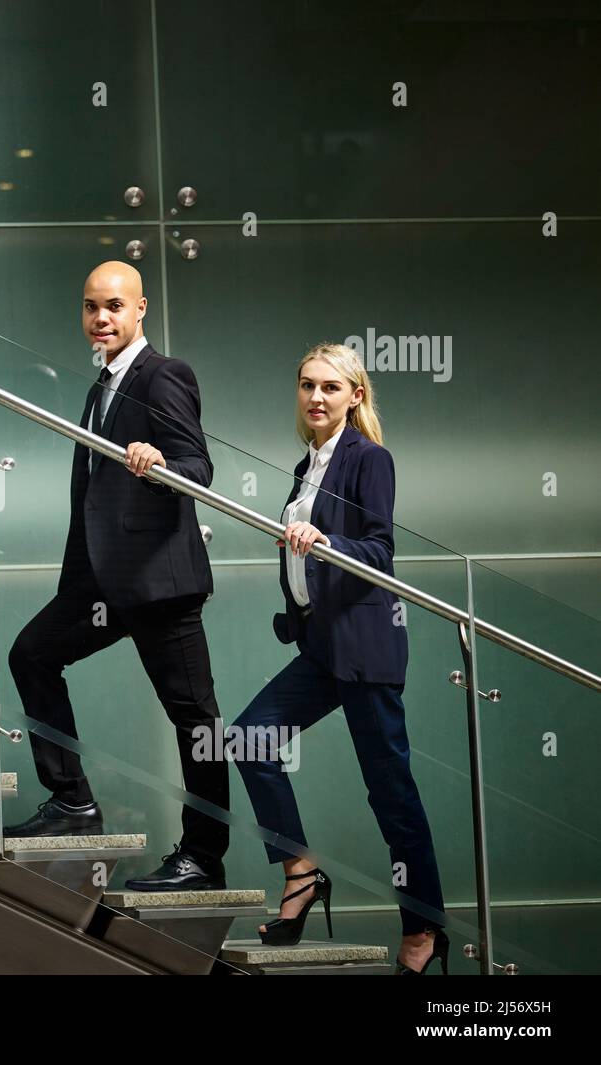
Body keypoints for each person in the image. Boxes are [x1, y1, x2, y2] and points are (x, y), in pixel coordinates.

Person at [3, 262, 230, 893]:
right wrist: (72, 587)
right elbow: (89, 498)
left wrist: (162, 460)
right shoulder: (100, 386)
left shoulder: (164, 375)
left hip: (159, 584)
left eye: (112, 306)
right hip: (102, 583)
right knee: (32, 654)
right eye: (89, 307)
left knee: (196, 722)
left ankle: (203, 858)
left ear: (140, 311)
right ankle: (72, 801)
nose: (100, 318)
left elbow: (197, 464)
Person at [232, 342, 447, 975]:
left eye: (330, 386)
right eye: (307, 385)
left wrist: (326, 542)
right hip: (322, 647)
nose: (316, 397)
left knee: (392, 797)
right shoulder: (309, 465)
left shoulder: (368, 458)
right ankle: (301, 873)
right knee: (249, 739)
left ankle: (421, 929)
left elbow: (381, 552)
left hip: (364, 651)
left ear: (355, 396)